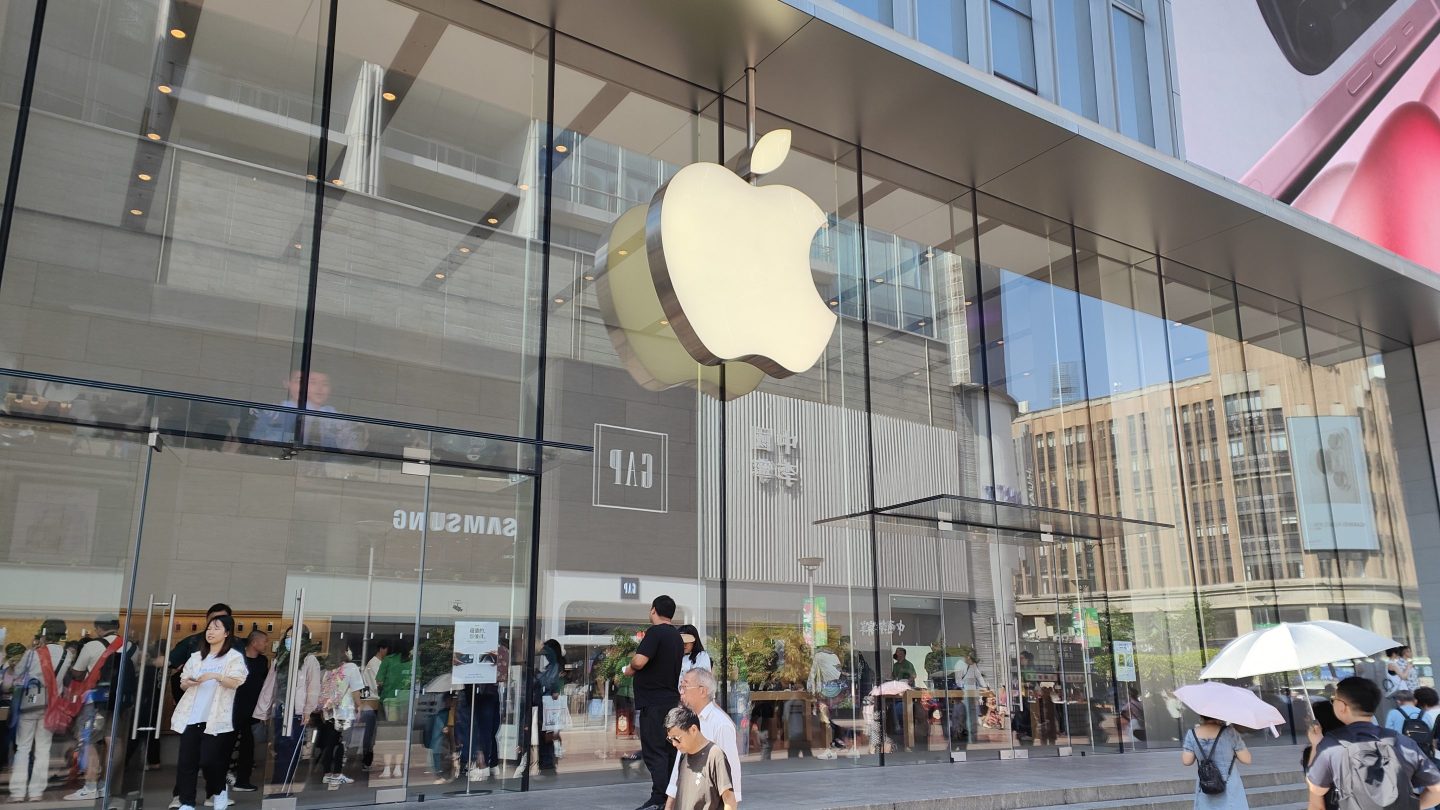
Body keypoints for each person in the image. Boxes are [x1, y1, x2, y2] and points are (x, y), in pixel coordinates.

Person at [1307, 676, 1440, 810]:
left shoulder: (1332, 745)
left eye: (1333, 700)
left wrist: (1316, 745)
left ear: (1342, 706)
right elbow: (1437, 790)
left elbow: (1316, 790)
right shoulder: (1402, 741)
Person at [171, 614, 248, 810]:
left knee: (208, 760)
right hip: (192, 715)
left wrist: (214, 675)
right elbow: (183, 683)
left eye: (216, 628)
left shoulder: (233, 657)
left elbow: (236, 681)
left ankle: (219, 790)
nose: (211, 632)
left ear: (227, 633)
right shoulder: (196, 657)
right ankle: (187, 802)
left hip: (216, 718)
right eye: (209, 628)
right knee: (187, 762)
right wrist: (188, 682)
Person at [64, 616, 137, 802]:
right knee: (114, 741)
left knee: (88, 740)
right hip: (119, 701)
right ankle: (106, 785)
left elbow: (78, 673)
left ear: (98, 628)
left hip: (95, 701)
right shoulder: (133, 648)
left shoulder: (91, 646)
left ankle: (90, 786)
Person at [623, 595, 684, 810]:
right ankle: (671, 797)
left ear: (653, 610)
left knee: (654, 750)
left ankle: (660, 798)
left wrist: (629, 668)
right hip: (670, 701)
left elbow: (639, 661)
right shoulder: (677, 637)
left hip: (654, 702)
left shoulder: (655, 632)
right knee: (669, 750)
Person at [253, 626, 322, 794]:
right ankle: (280, 786)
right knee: (279, 749)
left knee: (291, 751)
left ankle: (282, 787)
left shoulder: (309, 660)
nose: (289, 640)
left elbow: (313, 687)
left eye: (294, 636)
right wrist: (263, 712)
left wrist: (308, 711)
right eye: (288, 636)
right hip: (280, 711)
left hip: (298, 713)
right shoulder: (280, 659)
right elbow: (269, 687)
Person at [8, 620, 71, 802]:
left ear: (44, 633)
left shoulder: (32, 653)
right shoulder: (67, 655)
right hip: (51, 706)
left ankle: (18, 792)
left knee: (23, 748)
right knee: (43, 749)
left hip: (30, 705)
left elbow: (18, 674)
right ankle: (36, 793)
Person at [665, 669, 740, 810]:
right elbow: (677, 774)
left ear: (702, 691)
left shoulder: (721, 725)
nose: (681, 692)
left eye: (685, 686)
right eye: (681, 687)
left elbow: (732, 783)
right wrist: (669, 805)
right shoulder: (684, 721)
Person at [246, 370, 364, 451]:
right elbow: (255, 444)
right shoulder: (273, 413)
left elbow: (351, 449)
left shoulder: (336, 419)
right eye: (312, 383)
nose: (319, 389)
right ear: (287, 383)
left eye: (325, 384)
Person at [664, 706, 736, 810]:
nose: (674, 744)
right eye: (671, 740)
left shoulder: (715, 755)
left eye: (677, 738)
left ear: (693, 730)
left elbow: (729, 801)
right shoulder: (683, 756)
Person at [316, 642, 366, 788]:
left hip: (328, 710)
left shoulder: (327, 670)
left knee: (329, 743)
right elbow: (356, 690)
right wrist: (359, 706)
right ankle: (337, 774)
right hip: (344, 710)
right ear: (345, 653)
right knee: (341, 742)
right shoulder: (351, 668)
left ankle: (327, 774)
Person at [1182, 715, 1252, 809]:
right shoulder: (1230, 732)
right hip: (1228, 785)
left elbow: (1187, 761)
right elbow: (1247, 759)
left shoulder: (1192, 734)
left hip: (1206, 784)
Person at [230, 630, 269, 792]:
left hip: (252, 711)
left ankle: (242, 781)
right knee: (227, 744)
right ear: (254, 642)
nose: (266, 644)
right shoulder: (238, 659)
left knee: (248, 746)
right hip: (234, 709)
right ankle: (220, 778)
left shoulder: (262, 661)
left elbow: (265, 683)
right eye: (264, 641)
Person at [359, 640, 388, 772]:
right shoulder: (374, 664)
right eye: (387, 650)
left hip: (375, 702)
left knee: (373, 733)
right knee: (371, 733)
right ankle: (367, 760)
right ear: (382, 649)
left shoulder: (377, 663)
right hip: (373, 703)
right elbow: (379, 683)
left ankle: (369, 760)